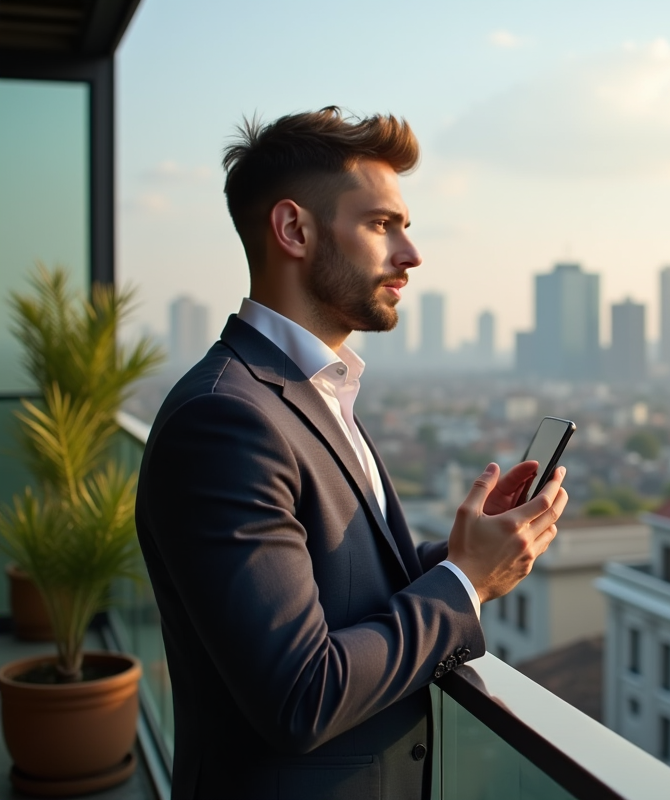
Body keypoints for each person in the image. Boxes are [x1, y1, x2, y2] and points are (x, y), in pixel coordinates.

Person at [135, 107, 568, 800]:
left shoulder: (311, 392)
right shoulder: (226, 419)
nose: (411, 254)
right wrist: (465, 584)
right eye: (381, 224)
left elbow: (338, 587)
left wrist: (464, 550)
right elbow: (301, 693)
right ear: (294, 230)